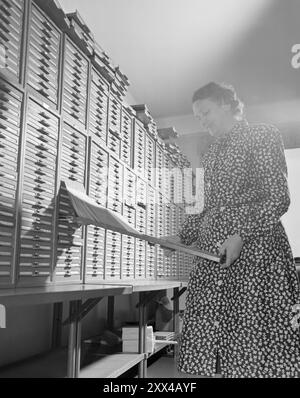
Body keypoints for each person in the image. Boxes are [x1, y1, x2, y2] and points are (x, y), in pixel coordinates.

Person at [165, 82, 300, 378]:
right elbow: (203, 206)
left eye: (206, 112)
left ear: (227, 104)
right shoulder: (211, 152)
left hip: (255, 251)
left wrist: (241, 234)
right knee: (214, 333)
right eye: (198, 117)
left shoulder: (262, 134)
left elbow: (278, 196)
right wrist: (182, 236)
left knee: (253, 332)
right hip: (213, 256)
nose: (202, 121)